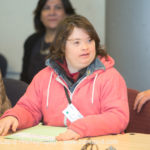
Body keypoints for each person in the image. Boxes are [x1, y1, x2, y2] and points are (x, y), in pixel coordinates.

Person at [0, 15, 129, 141]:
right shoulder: (44, 77)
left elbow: (117, 117)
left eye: (90, 40)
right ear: (62, 47)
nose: (85, 47)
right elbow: (29, 108)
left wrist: (80, 128)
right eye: (76, 42)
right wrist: (14, 117)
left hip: (96, 144)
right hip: (57, 143)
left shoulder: (110, 77)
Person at [20, 0, 76, 84]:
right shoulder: (31, 41)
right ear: (40, 15)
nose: (52, 12)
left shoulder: (76, 42)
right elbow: (24, 79)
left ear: (67, 14)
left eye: (58, 7)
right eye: (46, 8)